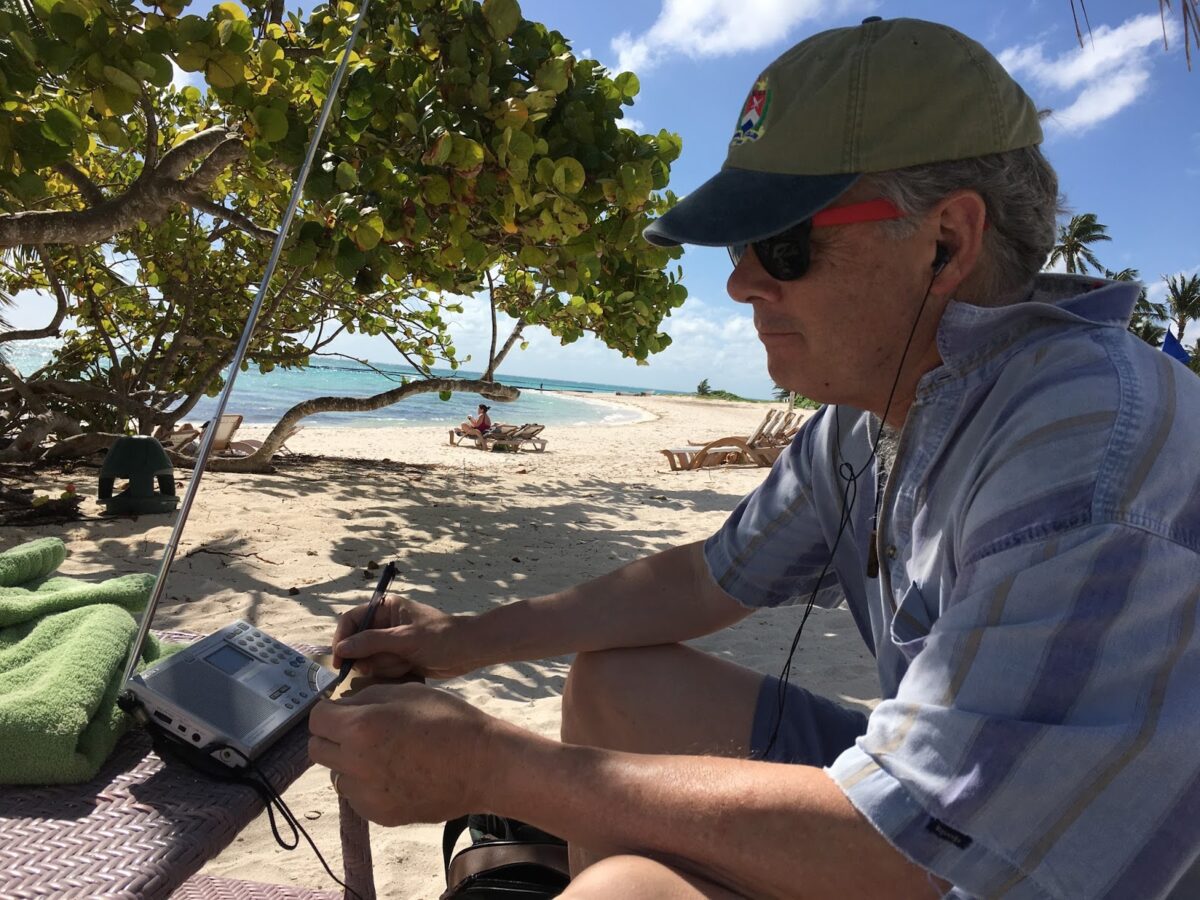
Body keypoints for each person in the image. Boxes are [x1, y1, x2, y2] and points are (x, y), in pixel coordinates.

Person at [309, 17, 1200, 898]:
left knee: (630, 890)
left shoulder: (1080, 446)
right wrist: (459, 642)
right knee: (621, 683)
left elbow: (926, 850)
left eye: (785, 242)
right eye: (741, 245)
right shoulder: (870, 417)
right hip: (966, 808)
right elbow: (706, 580)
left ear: (947, 242)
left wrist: (491, 768)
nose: (739, 282)